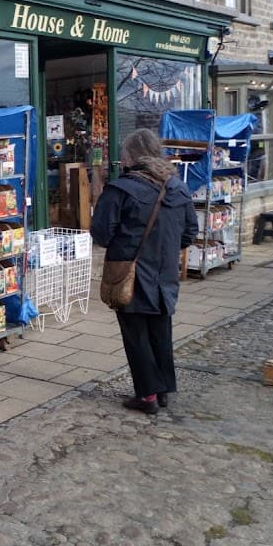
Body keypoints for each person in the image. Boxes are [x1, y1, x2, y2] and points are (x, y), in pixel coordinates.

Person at [90, 128, 197, 415]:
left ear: (131, 155)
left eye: (123, 153)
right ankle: (162, 391)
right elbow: (189, 234)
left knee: (136, 334)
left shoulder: (121, 189)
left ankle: (147, 395)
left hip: (131, 272)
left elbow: (101, 234)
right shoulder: (178, 187)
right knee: (161, 331)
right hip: (165, 274)